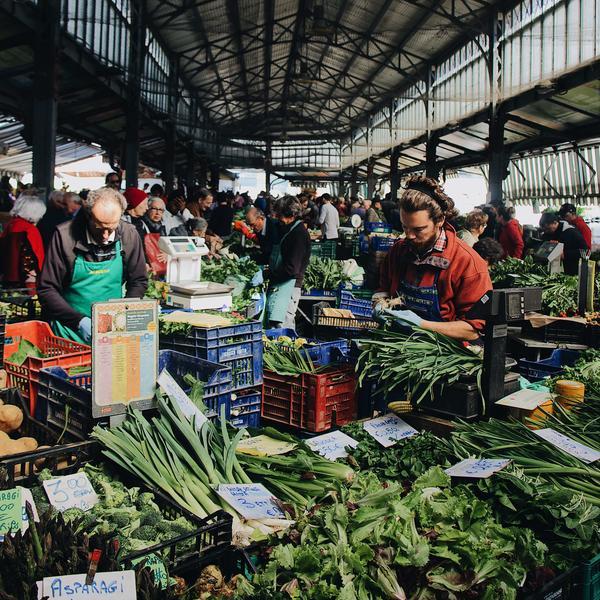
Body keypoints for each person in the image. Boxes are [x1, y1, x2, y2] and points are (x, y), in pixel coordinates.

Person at [376, 175, 492, 341]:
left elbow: (473, 329)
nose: (408, 235)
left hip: (443, 355)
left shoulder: (468, 263)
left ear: (440, 220)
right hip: (399, 344)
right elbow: (384, 288)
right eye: (404, 227)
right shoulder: (398, 251)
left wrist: (422, 325)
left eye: (418, 229)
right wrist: (379, 303)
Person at [38, 187, 147, 344]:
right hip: (68, 332)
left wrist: (124, 313)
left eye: (111, 228)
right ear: (88, 216)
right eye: (99, 227)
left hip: (113, 331)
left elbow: (139, 281)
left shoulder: (129, 234)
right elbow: (47, 289)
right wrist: (79, 321)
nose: (105, 236)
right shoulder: (64, 236)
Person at [266, 195, 311, 329]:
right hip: (281, 284)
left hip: (289, 286)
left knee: (283, 328)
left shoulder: (298, 234)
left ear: (290, 214)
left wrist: (269, 274)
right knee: (275, 325)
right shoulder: (289, 229)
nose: (278, 218)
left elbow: (291, 269)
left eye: (279, 215)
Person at [0, 191, 46, 287]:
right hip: (25, 281)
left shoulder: (11, 225)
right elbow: (32, 258)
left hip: (8, 277)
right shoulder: (29, 230)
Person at [140, 197, 168, 276]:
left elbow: (168, 247)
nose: (158, 213)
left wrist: (167, 254)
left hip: (161, 269)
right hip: (147, 268)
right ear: (147, 209)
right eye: (154, 209)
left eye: (161, 210)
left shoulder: (162, 227)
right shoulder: (141, 225)